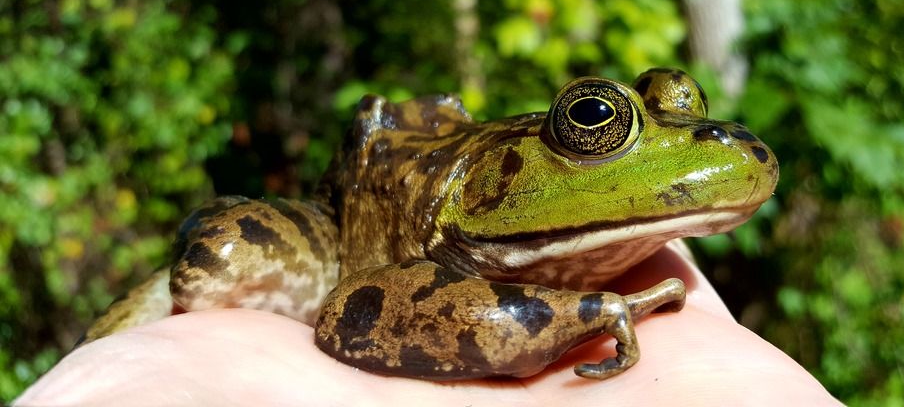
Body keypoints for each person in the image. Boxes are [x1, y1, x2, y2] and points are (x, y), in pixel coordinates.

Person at [16, 242, 841, 406]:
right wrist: (591, 310)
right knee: (213, 257)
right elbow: (352, 310)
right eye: (596, 126)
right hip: (355, 245)